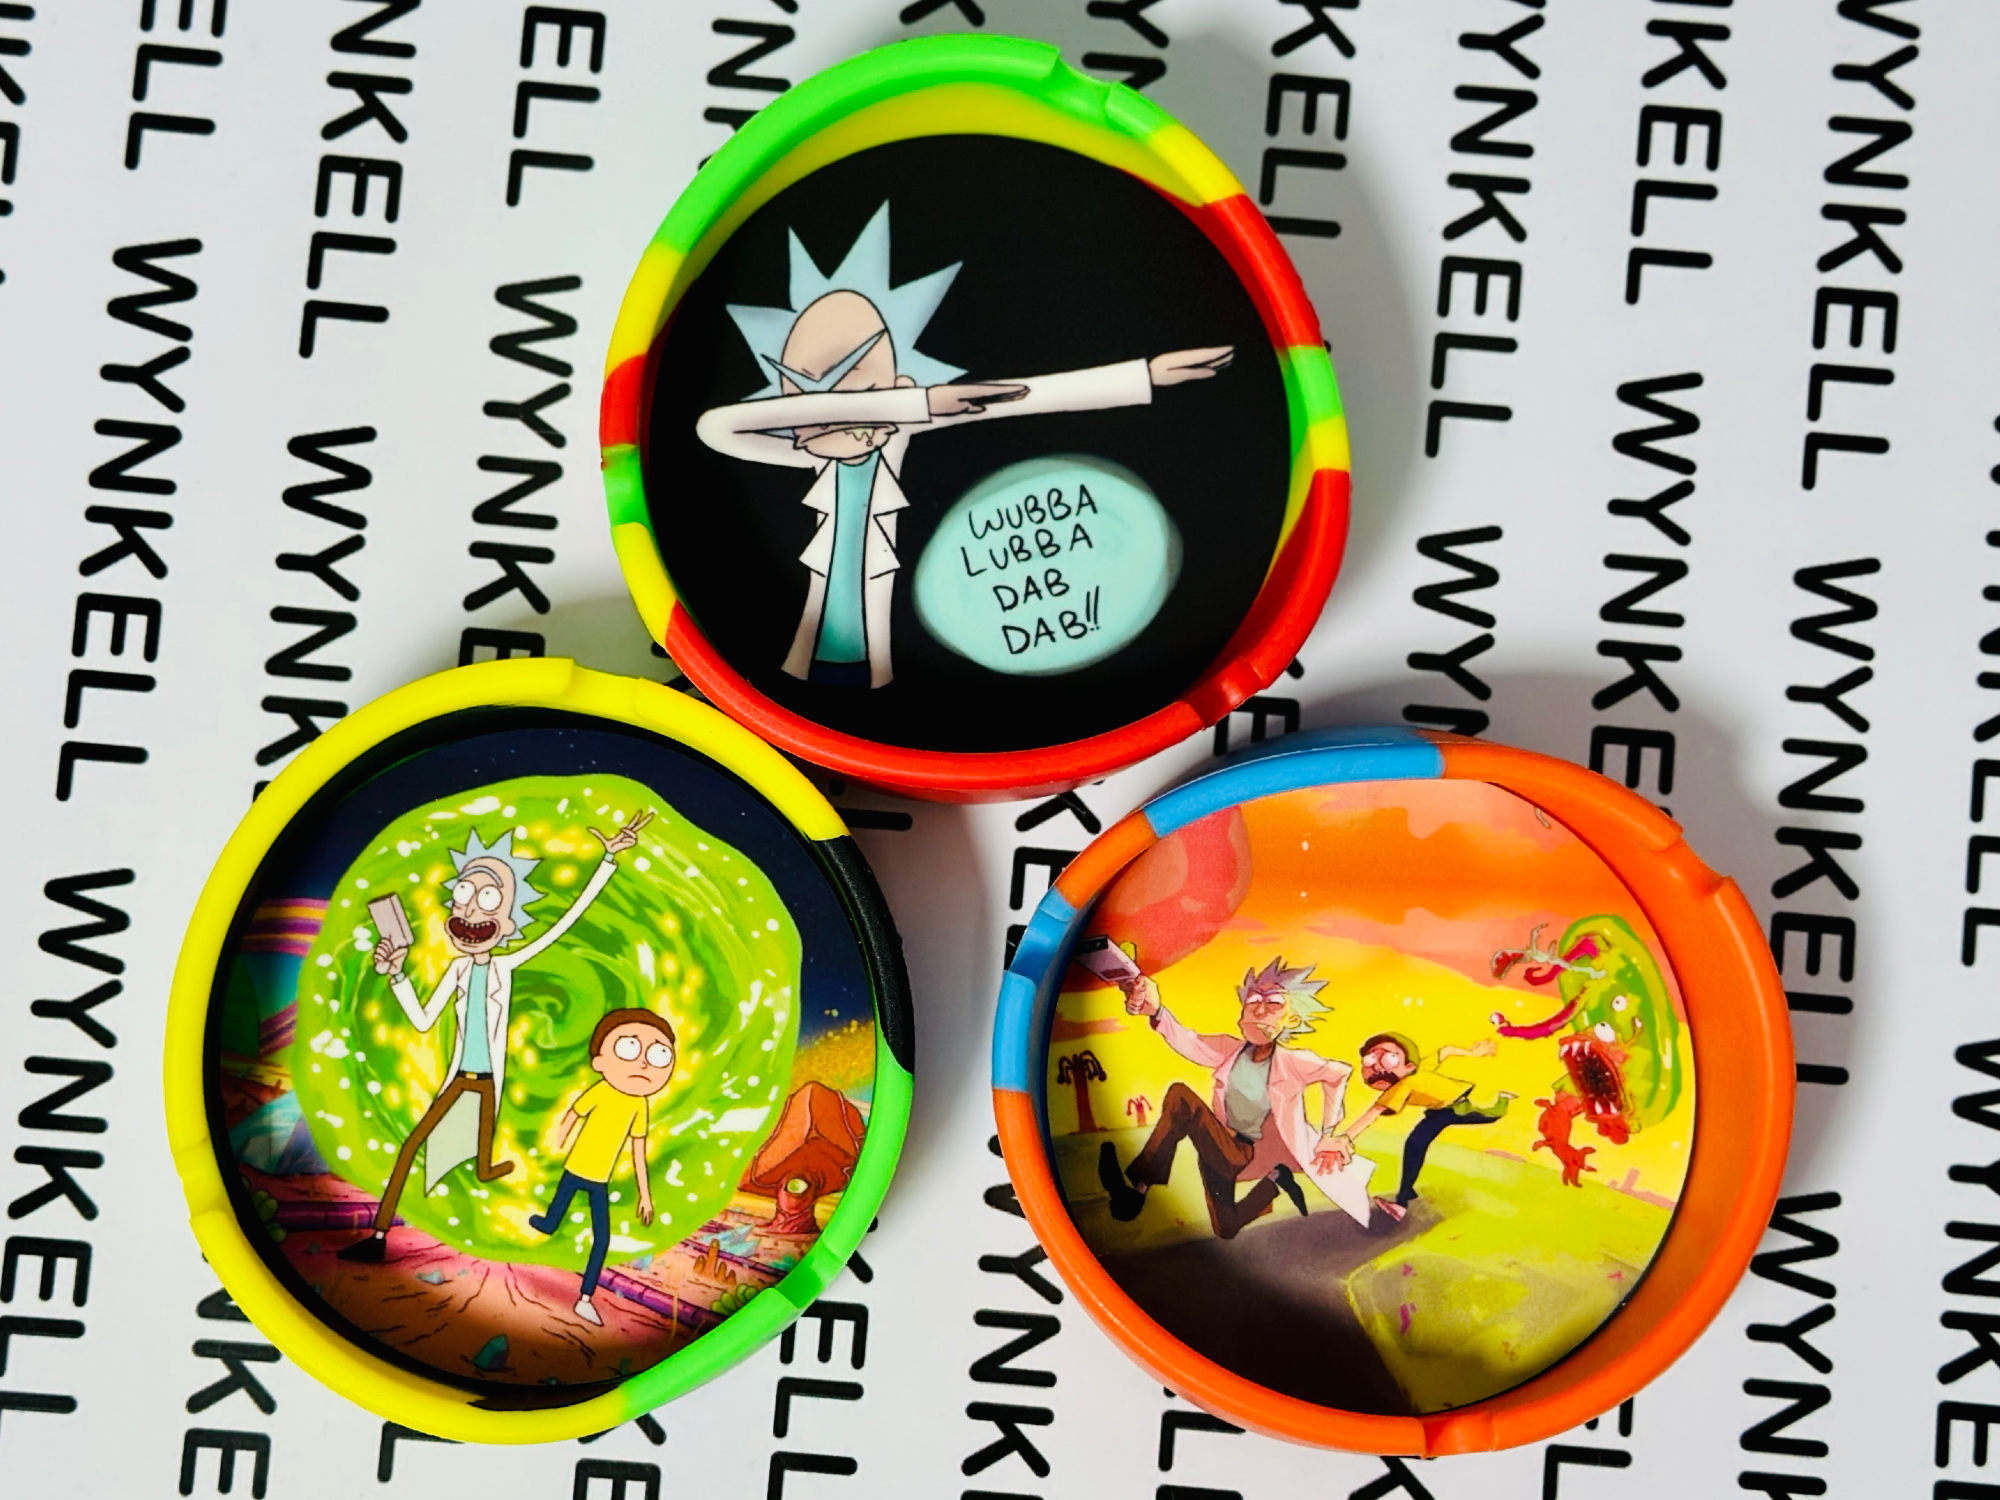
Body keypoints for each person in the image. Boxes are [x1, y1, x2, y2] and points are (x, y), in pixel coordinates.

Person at [697, 200, 1234, 688]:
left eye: (858, 380)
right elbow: (719, 427)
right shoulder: (801, 448)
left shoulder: (897, 434)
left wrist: (1144, 375)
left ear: (897, 379)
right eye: (807, 386)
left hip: (874, 631)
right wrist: (909, 404)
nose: (838, 405)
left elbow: (1031, 396)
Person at [337, 813, 652, 1263]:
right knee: (413, 1147)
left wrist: (607, 860)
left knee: (480, 1156)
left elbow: (564, 923)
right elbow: (423, 1020)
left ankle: (487, 1166)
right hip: (459, 1080)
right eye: (463, 896)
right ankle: (379, 1236)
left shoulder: (505, 965)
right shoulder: (457, 969)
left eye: (487, 899)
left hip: (486, 1084)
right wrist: (397, 974)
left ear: (507, 920)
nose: (470, 913)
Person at [1095, 957, 1371, 1238]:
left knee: (1181, 1098)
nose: (1260, 1009)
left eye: (1274, 1003)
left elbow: (1338, 1074)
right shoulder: (1231, 1050)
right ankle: (1275, 1180)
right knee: (1225, 1228)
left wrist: (1328, 1134)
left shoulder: (1292, 1061)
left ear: (1292, 1019)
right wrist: (1157, 1011)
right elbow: (1189, 1042)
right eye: (1253, 1001)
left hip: (1240, 1151)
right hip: (1215, 1142)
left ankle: (1138, 1187)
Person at [528, 1008, 676, 1327]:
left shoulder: (639, 1104)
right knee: (553, 1218)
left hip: (599, 1180)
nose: (643, 1063)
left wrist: (645, 1195)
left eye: (659, 1054)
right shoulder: (602, 1090)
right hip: (574, 1169)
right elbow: (575, 1112)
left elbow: (638, 1151)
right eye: (629, 1048)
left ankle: (585, 1298)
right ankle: (547, 1225)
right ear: (599, 1062)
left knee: (602, 1239)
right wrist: (560, 1137)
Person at [1328, 1031, 1513, 1222]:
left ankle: (1401, 1204)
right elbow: (1445, 1051)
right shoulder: (1414, 1072)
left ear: (1409, 1066)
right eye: (1370, 1060)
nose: (1377, 1067)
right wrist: (1471, 1053)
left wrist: (1345, 1137)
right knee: (1416, 1144)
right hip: (1439, 1111)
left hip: (1453, 1108)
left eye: (1389, 1059)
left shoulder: (1403, 1084)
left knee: (1417, 1144)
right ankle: (1406, 1194)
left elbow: (1373, 1112)